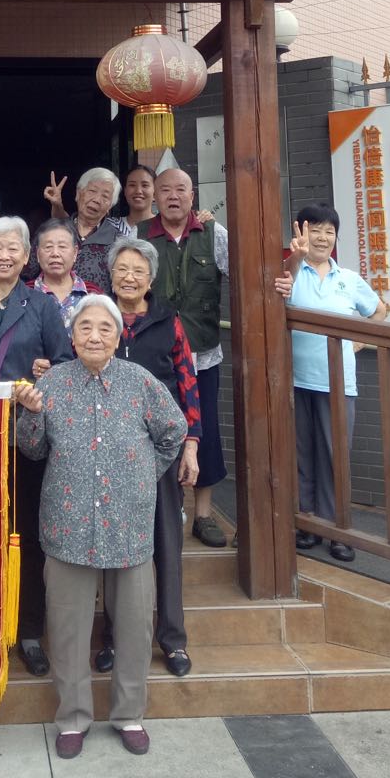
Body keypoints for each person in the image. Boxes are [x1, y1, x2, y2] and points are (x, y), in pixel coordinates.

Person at [15, 294, 186, 759]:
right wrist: (31, 413)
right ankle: (72, 718)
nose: (94, 336)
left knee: (133, 627)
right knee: (67, 630)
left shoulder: (140, 381)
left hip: (129, 526)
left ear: (117, 336)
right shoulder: (52, 383)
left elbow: (173, 429)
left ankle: (129, 714)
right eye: (85, 328)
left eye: (104, 328)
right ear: (72, 337)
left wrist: (144, 473)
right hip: (67, 526)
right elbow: (31, 449)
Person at [0, 216, 72, 677]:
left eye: (12, 249)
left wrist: (46, 373)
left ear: (26, 257)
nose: (3, 256)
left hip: (27, 437)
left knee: (25, 534)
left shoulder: (42, 306)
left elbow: (65, 365)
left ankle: (27, 630)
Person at [97, 237, 199, 678]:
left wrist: (191, 444)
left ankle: (173, 640)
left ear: (151, 279)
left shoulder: (168, 322)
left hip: (160, 450)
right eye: (122, 270)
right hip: (107, 450)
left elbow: (188, 383)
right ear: (110, 275)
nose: (129, 278)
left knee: (166, 544)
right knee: (112, 547)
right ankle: (113, 638)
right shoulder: (99, 319)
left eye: (138, 271)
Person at [277, 206, 390, 564]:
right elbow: (280, 288)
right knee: (302, 455)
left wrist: (358, 341)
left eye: (329, 231)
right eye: (315, 230)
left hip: (338, 383)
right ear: (301, 233)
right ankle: (307, 524)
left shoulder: (349, 279)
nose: (323, 238)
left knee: (334, 456)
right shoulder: (291, 273)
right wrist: (294, 259)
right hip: (296, 381)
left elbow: (379, 311)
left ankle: (337, 530)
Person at [140, 169, 230, 548]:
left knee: (204, 432)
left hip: (203, 356)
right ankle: (152, 513)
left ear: (193, 196)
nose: (173, 196)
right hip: (154, 357)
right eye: (165, 190)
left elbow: (244, 272)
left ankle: (203, 516)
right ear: (155, 197)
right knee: (150, 433)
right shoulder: (139, 236)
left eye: (181, 190)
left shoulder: (214, 233)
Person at [42, 167, 130, 293]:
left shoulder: (119, 241)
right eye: (92, 191)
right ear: (78, 194)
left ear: (110, 206)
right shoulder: (53, 231)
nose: (97, 200)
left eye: (105, 196)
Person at [27, 219, 97, 327]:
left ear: (75, 253)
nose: (55, 253)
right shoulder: (24, 294)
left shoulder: (93, 294)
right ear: (37, 254)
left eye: (62, 247)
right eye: (48, 247)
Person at [122, 163, 157, 231]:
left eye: (145, 185)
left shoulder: (166, 227)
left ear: (155, 192)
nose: (138, 191)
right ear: (125, 191)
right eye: (132, 185)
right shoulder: (111, 227)